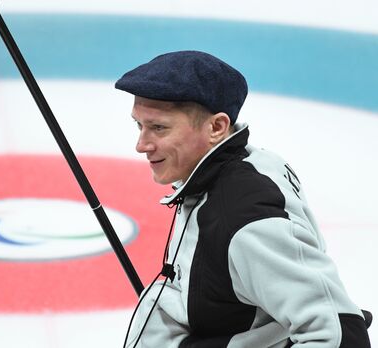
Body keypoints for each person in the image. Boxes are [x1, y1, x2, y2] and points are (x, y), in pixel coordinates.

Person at [115, 51, 372, 348]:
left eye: (159, 128)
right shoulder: (238, 164)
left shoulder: (244, 220)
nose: (141, 145)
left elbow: (341, 336)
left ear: (216, 127)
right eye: (139, 125)